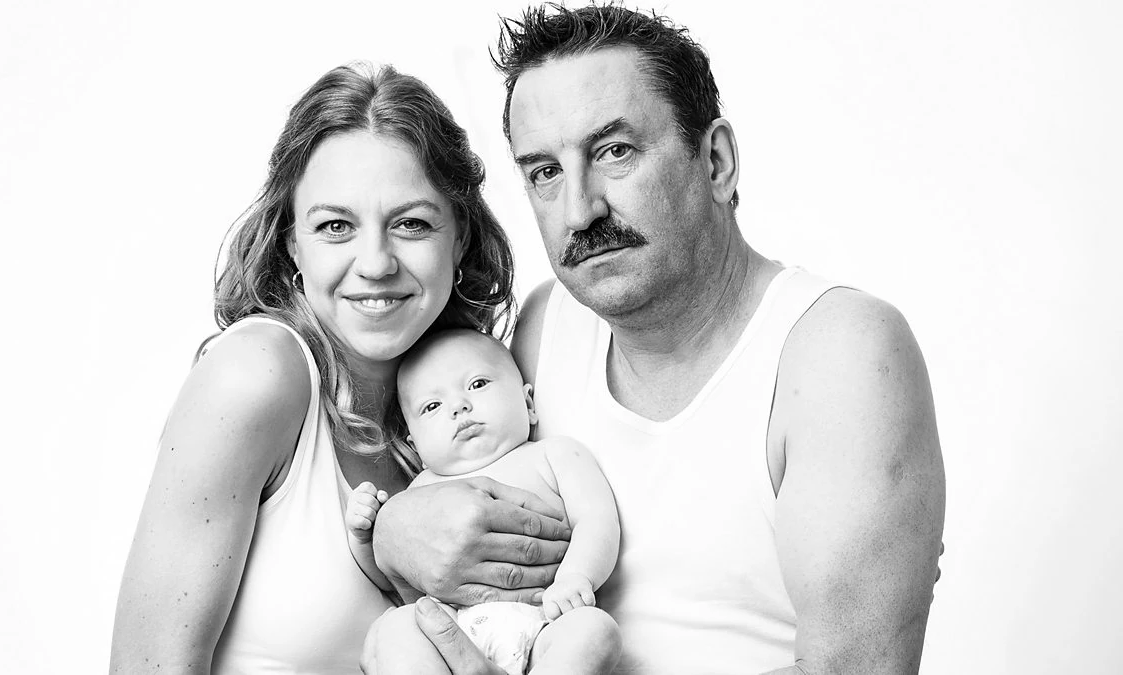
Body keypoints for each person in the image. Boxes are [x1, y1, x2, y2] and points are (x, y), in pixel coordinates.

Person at [365, 4, 947, 675]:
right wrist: (394, 533)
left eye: (614, 152)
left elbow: (855, 670)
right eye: (545, 171)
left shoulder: (839, 355)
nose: (579, 210)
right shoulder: (549, 324)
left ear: (716, 161)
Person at [107, 62, 573, 674]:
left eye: (411, 224)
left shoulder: (472, 405)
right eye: (335, 226)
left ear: (459, 236)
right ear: (291, 243)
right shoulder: (256, 376)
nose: (375, 263)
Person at [346, 328, 621, 674]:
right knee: (395, 628)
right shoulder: (418, 492)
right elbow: (391, 577)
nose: (459, 406)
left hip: (545, 617)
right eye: (432, 406)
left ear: (528, 404)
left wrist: (577, 576)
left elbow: (596, 518)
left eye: (477, 384)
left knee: (594, 631)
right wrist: (363, 538)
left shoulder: (554, 455)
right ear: (415, 444)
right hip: (451, 626)